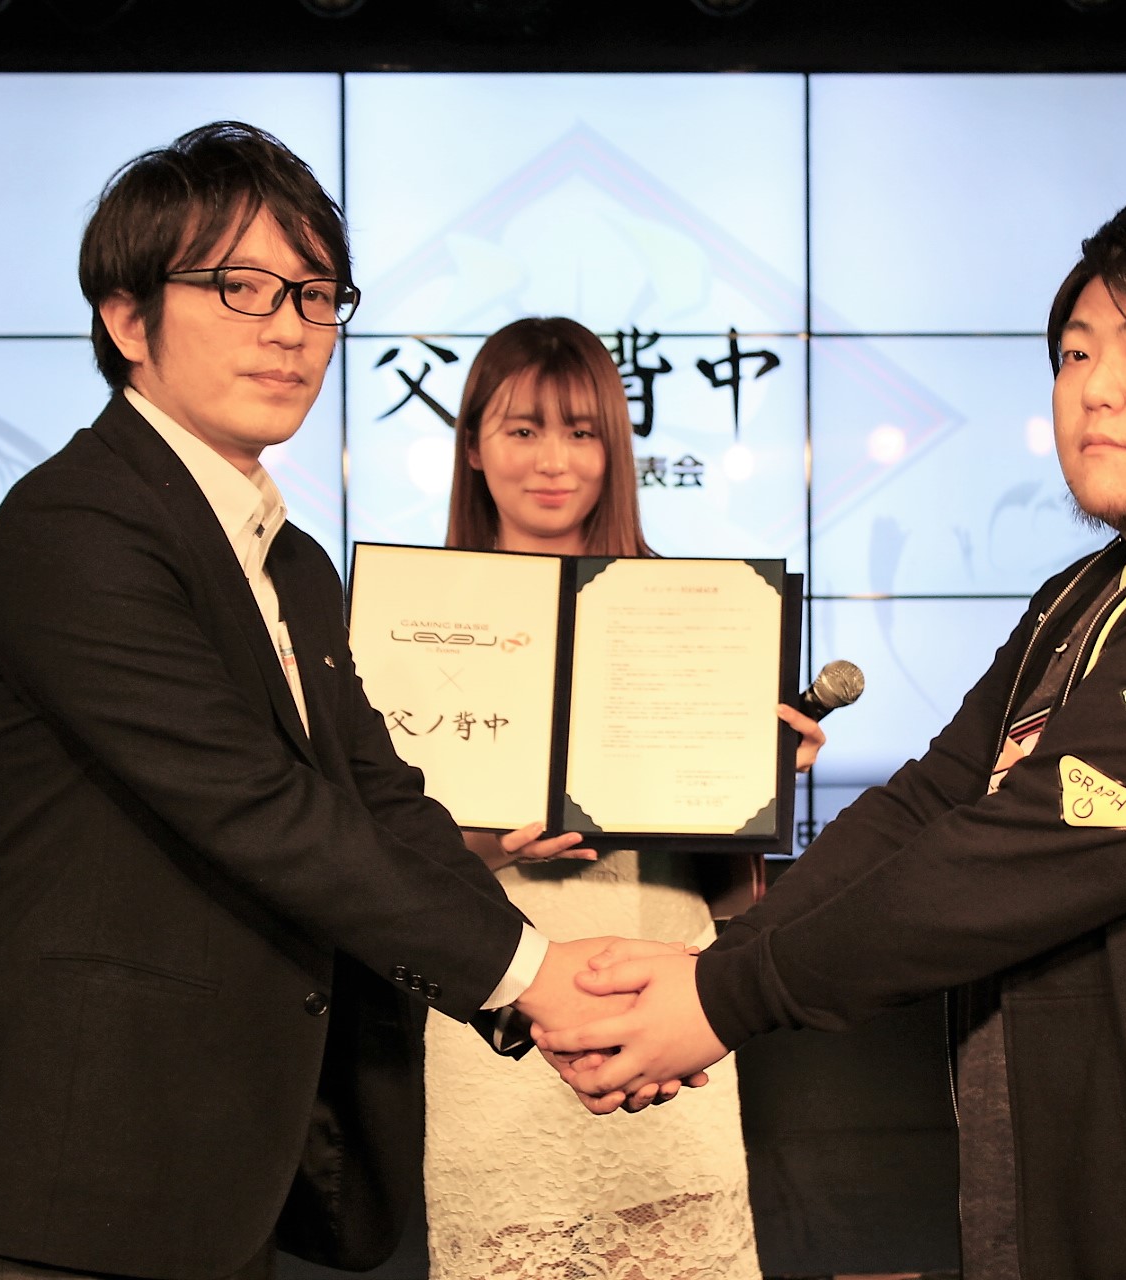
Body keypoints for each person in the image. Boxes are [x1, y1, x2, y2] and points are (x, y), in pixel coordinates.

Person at [542, 183, 1126, 1279]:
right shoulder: (1093, 590)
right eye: (1075, 355)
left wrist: (719, 997)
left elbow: (1011, 857)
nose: (1095, 390)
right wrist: (723, 963)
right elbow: (933, 800)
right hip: (1089, 1203)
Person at [0, 123, 656, 1280]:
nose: (289, 328)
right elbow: (260, 809)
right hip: (72, 1180)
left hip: (222, 1176)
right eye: (240, 286)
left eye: (314, 294)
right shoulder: (77, 528)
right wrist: (533, 976)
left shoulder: (290, 559)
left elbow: (382, 801)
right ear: (127, 318)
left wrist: (533, 990)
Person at [422, 315, 825, 1280]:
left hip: (662, 998)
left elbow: (731, 891)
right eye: (523, 430)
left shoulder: (690, 613)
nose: (552, 461)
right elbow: (378, 855)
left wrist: (759, 782)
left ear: (615, 448)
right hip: (497, 1012)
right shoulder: (423, 619)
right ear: (473, 446)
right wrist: (496, 844)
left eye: (582, 431)